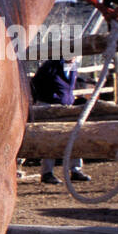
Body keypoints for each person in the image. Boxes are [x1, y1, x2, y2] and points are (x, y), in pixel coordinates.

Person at [29, 56, 90, 184]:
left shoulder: (73, 67)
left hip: (67, 107)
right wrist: (46, 98)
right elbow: (35, 83)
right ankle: (47, 172)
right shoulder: (50, 66)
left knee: (74, 136)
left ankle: (75, 169)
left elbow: (70, 86)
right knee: (50, 137)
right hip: (49, 107)